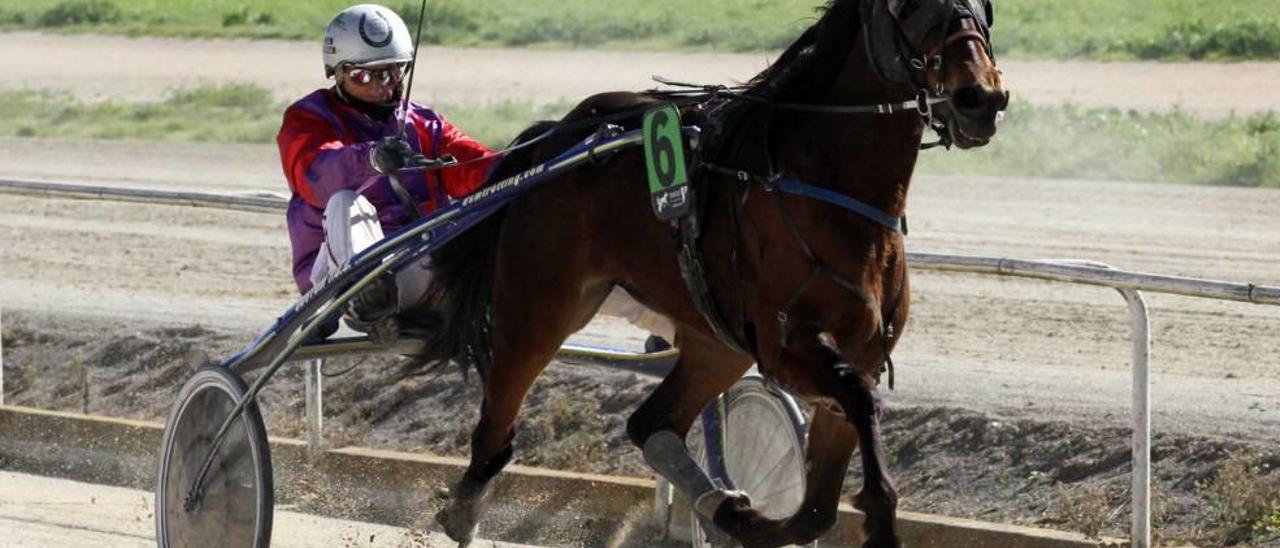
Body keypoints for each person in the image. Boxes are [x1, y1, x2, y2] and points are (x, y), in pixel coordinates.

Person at [277, 4, 495, 342]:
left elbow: (475, 165)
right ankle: (365, 300)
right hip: (334, 280)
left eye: (393, 72)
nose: (382, 85)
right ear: (336, 72)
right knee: (345, 203)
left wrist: (528, 160)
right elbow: (317, 177)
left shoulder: (423, 123)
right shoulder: (307, 119)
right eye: (366, 75)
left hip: (417, 268)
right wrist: (373, 158)